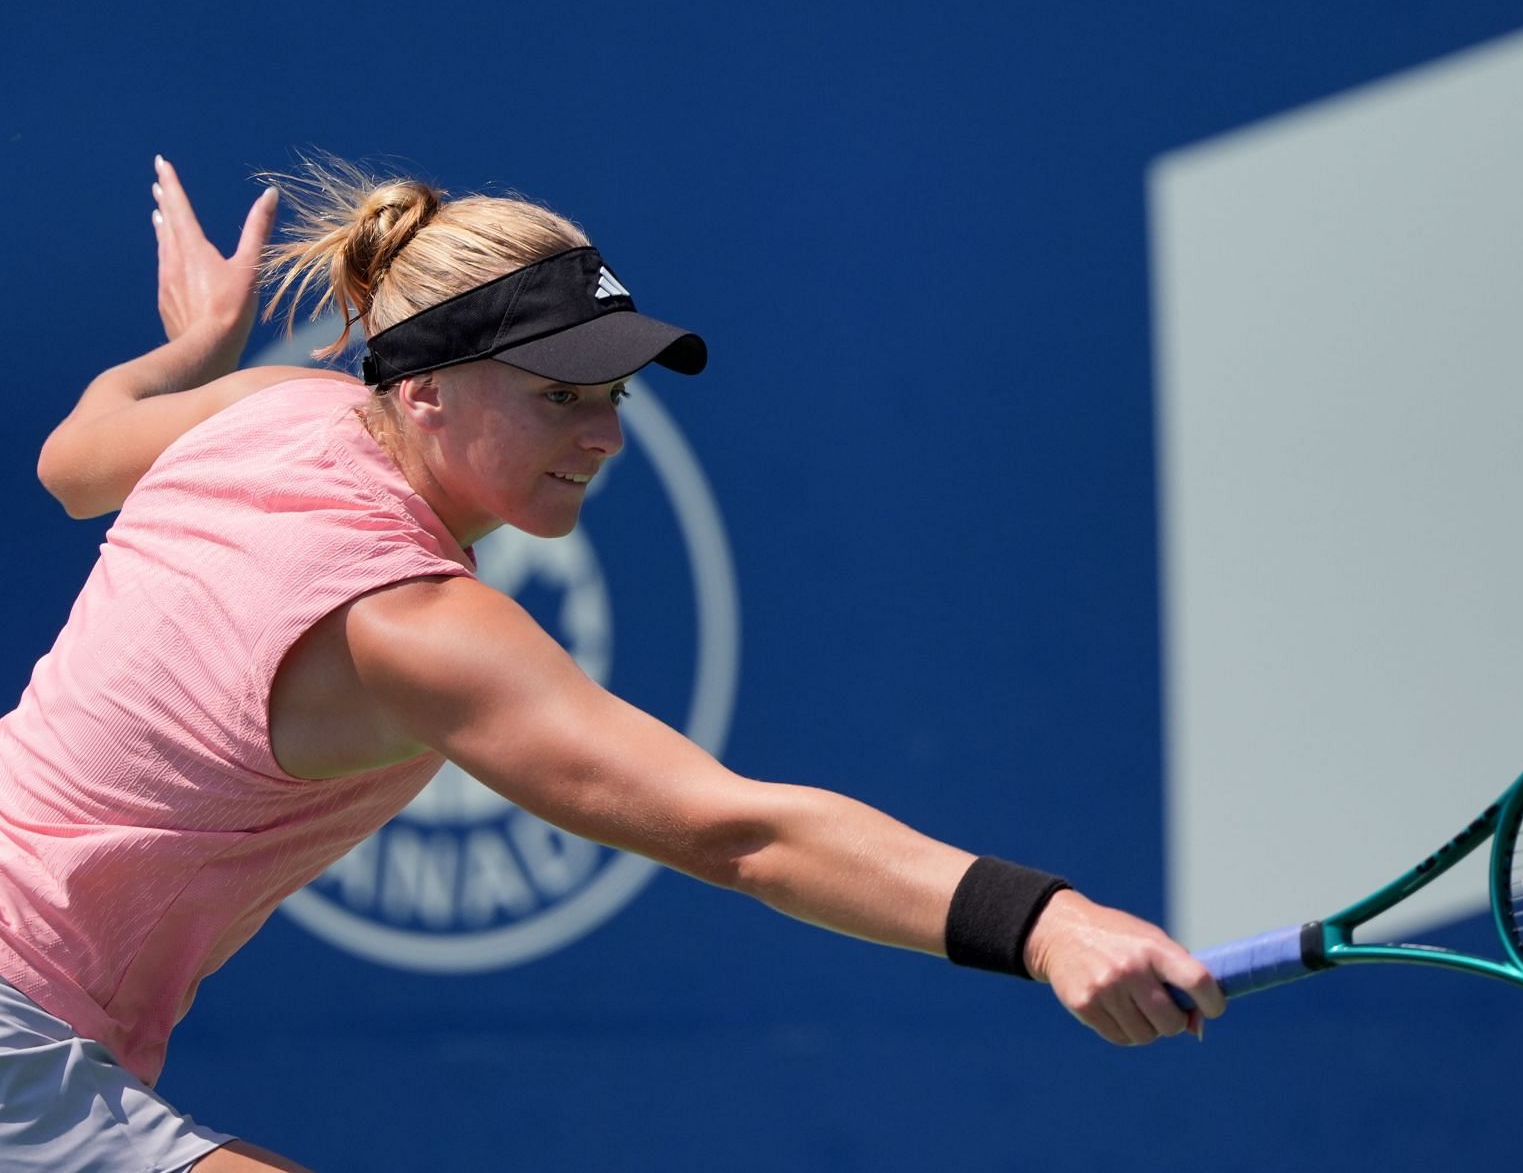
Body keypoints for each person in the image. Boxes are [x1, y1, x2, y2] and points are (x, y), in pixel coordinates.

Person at [0, 156, 1225, 1172]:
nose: (605, 434)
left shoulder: (271, 407)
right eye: (559, 394)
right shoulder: (407, 626)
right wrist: (1045, 922)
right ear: (423, 389)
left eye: (615, 392)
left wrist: (195, 350)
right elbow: (740, 834)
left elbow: (73, 458)